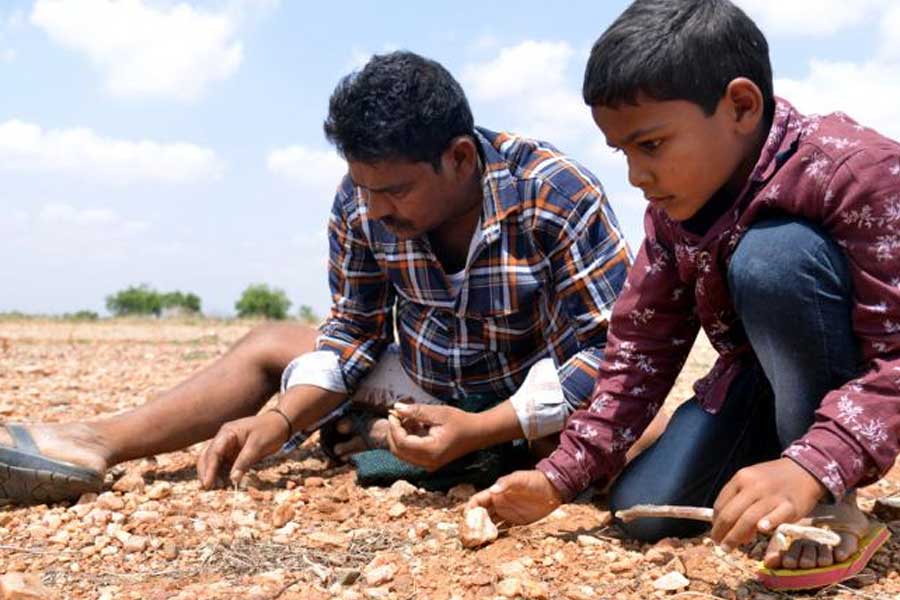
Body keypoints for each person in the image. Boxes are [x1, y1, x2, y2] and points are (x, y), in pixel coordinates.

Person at [0, 51, 630, 506]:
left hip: (524, 398)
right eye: (365, 187)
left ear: (459, 158)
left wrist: (486, 426)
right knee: (276, 343)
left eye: (395, 191)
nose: (376, 209)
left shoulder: (553, 193)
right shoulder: (361, 199)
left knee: (634, 432)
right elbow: (354, 330)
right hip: (420, 379)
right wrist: (277, 421)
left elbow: (610, 352)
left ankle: (433, 442)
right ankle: (93, 441)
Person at [470, 0, 898, 589]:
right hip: (756, 382)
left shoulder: (855, 173)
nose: (636, 176)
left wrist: (814, 467)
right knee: (644, 511)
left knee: (776, 259)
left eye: (651, 144)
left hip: (850, 380)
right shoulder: (674, 211)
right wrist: (558, 477)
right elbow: (637, 351)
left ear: (741, 106)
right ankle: (779, 464)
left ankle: (829, 499)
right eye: (623, 152)